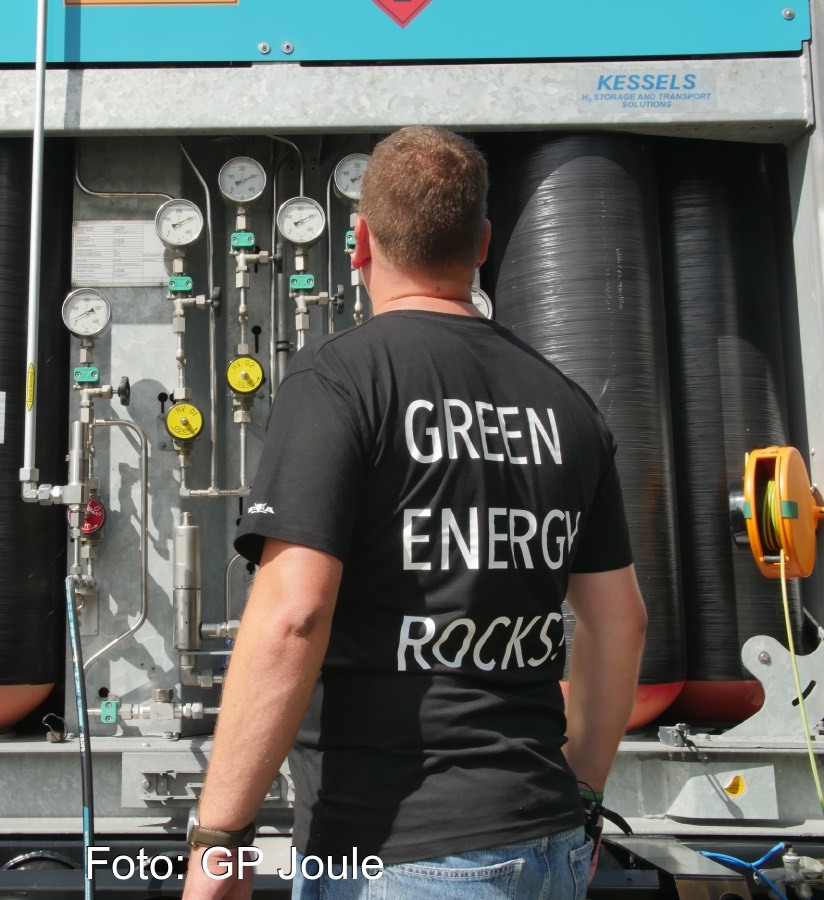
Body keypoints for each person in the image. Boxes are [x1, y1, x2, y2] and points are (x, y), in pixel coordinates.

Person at [181, 126, 647, 900]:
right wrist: (585, 795)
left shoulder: (340, 382)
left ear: (359, 242)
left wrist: (220, 840)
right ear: (483, 244)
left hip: (398, 850)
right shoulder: (567, 405)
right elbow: (621, 621)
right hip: (549, 839)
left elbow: (293, 616)